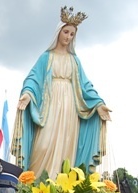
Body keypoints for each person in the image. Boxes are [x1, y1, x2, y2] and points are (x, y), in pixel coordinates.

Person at [12, 6, 111, 176]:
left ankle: (63, 187)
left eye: (72, 34)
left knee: (67, 148)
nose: (68, 37)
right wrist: (28, 94)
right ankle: (36, 183)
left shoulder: (75, 61)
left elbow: (86, 86)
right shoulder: (46, 57)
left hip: (70, 108)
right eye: (66, 32)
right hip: (49, 106)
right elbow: (34, 79)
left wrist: (99, 104)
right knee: (43, 144)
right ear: (58, 32)